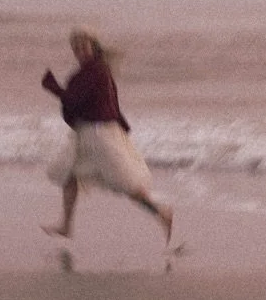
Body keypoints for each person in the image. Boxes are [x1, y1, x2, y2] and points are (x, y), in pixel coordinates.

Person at [42, 30, 173, 244]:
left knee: (127, 184)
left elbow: (74, 100)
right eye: (75, 48)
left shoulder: (96, 71)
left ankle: (161, 211)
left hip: (99, 135)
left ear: (93, 46)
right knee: (68, 174)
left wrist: (53, 87)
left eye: (83, 46)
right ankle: (66, 225)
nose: (79, 51)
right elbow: (106, 103)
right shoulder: (90, 70)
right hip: (88, 133)